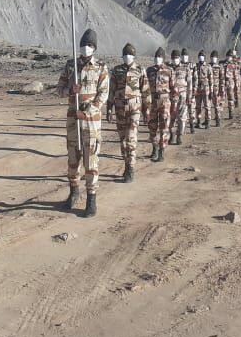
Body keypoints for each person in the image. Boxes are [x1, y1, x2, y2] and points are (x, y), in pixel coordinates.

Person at [56, 29, 109, 217]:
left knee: (91, 160)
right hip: (73, 121)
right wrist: (71, 89)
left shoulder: (101, 68)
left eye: (88, 45)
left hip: (91, 123)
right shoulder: (71, 66)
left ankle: (91, 200)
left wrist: (86, 113)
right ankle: (73, 192)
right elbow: (59, 90)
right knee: (73, 158)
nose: (84, 48)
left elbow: (103, 96)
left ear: (94, 48)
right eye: (82, 45)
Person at [110, 43, 150, 182]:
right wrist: (109, 107)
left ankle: (131, 168)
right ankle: (126, 164)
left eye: (130, 54)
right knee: (122, 139)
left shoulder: (140, 70)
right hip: (120, 108)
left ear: (134, 56)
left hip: (134, 109)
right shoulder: (116, 70)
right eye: (125, 54)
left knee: (131, 137)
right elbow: (112, 90)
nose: (127, 56)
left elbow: (145, 91)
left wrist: (147, 110)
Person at [146, 46, 174, 162]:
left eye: (160, 57)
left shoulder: (169, 71)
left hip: (165, 101)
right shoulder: (149, 71)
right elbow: (145, 87)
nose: (157, 59)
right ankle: (155, 148)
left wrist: (174, 104)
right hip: (152, 101)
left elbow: (173, 88)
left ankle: (162, 151)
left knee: (164, 127)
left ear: (163, 58)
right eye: (156, 57)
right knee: (152, 126)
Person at [169, 48, 193, 145]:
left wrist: (189, 97)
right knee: (171, 118)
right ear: (171, 58)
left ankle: (179, 135)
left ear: (179, 58)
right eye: (173, 58)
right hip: (171, 98)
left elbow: (190, 83)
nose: (175, 59)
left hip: (182, 97)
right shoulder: (168, 69)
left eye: (177, 58)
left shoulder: (186, 69)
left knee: (182, 118)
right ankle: (172, 135)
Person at [193, 50, 214, 129]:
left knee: (207, 106)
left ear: (204, 57)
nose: (201, 57)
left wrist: (211, 91)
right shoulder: (196, 66)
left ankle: (207, 122)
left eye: (202, 55)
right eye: (200, 55)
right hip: (198, 89)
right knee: (198, 106)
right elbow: (193, 78)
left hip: (206, 89)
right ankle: (198, 121)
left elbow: (211, 79)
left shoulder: (208, 67)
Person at [208, 50, 224, 127]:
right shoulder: (207, 66)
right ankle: (207, 120)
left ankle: (218, 120)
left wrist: (222, 90)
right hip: (207, 89)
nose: (213, 59)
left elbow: (222, 79)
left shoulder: (219, 67)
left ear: (217, 58)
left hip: (216, 89)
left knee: (216, 105)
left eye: (215, 57)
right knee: (207, 106)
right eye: (212, 57)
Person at [222, 50, 237, 119]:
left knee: (231, 99)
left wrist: (236, 85)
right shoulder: (222, 64)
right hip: (223, 82)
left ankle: (231, 113)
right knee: (221, 98)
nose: (229, 58)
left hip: (230, 83)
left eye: (230, 56)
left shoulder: (233, 65)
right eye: (228, 56)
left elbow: (235, 75)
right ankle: (219, 114)